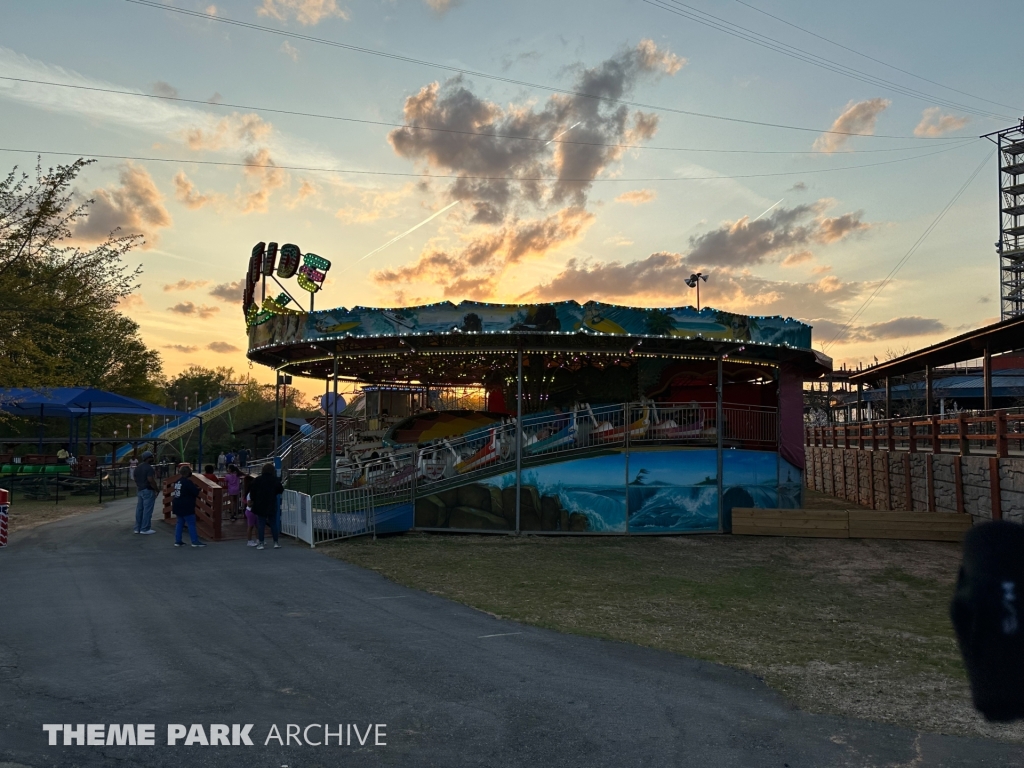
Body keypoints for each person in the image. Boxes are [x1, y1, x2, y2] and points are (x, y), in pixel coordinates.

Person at [248, 463, 284, 550]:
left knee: (261, 524)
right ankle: (276, 542)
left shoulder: (257, 480)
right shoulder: (275, 480)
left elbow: (252, 492)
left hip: (260, 504)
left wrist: (253, 499)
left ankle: (261, 543)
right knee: (273, 523)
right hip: (271, 503)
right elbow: (280, 490)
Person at [171, 465, 206, 548]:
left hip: (177, 504)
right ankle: (194, 541)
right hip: (186, 505)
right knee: (191, 523)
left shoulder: (177, 482)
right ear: (187, 473)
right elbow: (195, 492)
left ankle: (178, 540)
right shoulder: (187, 482)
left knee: (179, 523)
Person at [133, 451, 159, 535]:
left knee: (139, 509)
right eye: (152, 457)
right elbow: (150, 479)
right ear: (148, 458)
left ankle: (137, 528)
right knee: (147, 510)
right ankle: (145, 528)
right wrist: (156, 489)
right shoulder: (149, 468)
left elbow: (135, 477)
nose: (153, 458)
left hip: (140, 489)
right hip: (148, 489)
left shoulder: (138, 467)